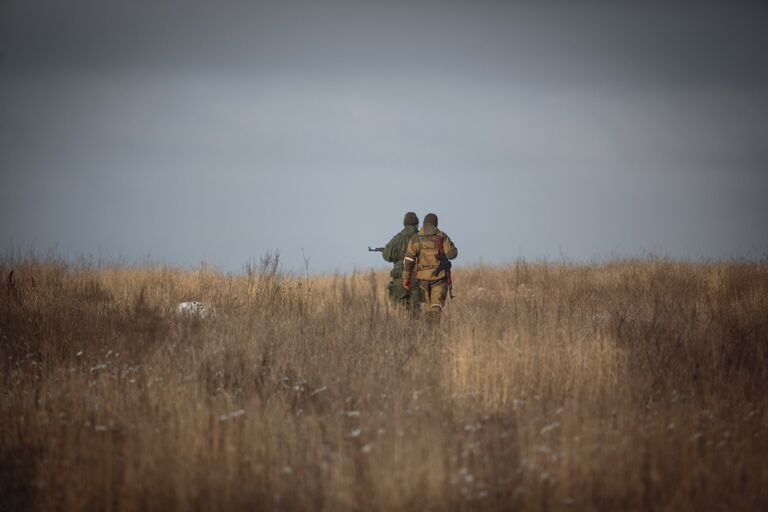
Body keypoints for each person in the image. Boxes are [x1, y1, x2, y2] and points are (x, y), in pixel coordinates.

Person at [402, 213, 457, 318]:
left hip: (422, 279)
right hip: (439, 279)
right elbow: (452, 254)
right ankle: (434, 330)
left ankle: (428, 331)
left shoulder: (416, 238)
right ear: (436, 223)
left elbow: (409, 260)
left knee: (427, 308)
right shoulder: (442, 236)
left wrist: (406, 278)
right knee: (436, 307)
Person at [382, 212, 423, 312]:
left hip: (399, 279)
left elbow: (386, 256)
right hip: (417, 279)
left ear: (404, 224)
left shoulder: (396, 239)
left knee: (399, 313)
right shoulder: (421, 239)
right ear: (417, 224)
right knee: (415, 312)